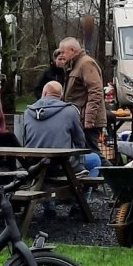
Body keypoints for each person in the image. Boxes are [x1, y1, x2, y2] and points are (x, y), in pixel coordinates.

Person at [23, 81, 102, 217]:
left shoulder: (28, 112)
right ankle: (79, 203)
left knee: (47, 166)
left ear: (44, 93)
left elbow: (25, 139)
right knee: (95, 159)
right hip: (62, 165)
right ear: (60, 95)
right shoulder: (70, 111)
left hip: (35, 165)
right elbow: (80, 140)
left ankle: (49, 208)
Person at [59, 37, 107, 157]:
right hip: (79, 118)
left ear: (72, 50)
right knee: (85, 154)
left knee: (92, 154)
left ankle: (110, 170)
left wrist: (89, 120)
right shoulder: (75, 65)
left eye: (63, 52)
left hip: (86, 120)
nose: (61, 55)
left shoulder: (86, 64)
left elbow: (95, 92)